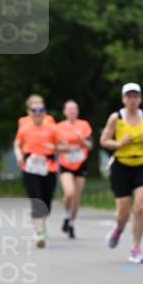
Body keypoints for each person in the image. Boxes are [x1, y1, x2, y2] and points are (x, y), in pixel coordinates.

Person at [100, 83, 143, 263]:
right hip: (121, 167)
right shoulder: (115, 118)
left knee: (140, 208)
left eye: (135, 96)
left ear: (140, 99)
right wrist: (118, 144)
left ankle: (136, 248)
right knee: (123, 214)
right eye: (129, 96)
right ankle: (118, 228)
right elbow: (104, 140)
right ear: (123, 99)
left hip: (142, 164)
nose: (132, 100)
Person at [13, 97, 62, 248]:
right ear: (30, 112)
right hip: (30, 166)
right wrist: (19, 155)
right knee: (36, 198)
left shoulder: (52, 127)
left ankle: (41, 223)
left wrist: (54, 148)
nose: (38, 113)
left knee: (46, 201)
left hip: (48, 167)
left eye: (41, 110)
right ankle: (39, 232)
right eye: (34, 110)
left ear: (45, 112)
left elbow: (64, 146)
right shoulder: (24, 127)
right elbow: (17, 143)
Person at [56, 100, 93, 238]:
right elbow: (55, 147)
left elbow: (89, 146)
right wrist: (66, 148)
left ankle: (71, 223)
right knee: (69, 192)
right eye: (69, 109)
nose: (72, 111)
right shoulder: (59, 127)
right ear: (65, 112)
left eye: (74, 109)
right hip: (66, 163)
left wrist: (81, 140)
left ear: (77, 111)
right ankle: (66, 215)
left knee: (77, 196)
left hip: (81, 162)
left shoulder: (84, 125)